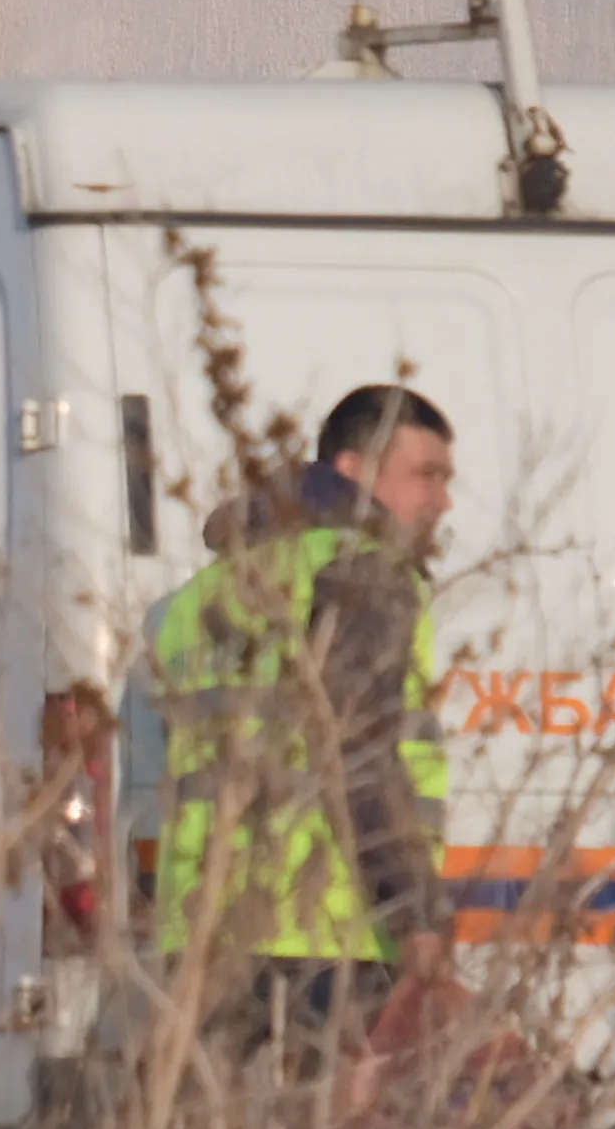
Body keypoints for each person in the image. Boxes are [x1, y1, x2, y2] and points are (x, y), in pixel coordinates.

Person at [150, 382, 458, 1053]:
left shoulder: (210, 587)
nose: (442, 501)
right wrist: (418, 919)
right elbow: (362, 755)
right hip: (325, 933)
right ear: (353, 471)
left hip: (203, 933)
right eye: (425, 476)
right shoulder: (365, 574)